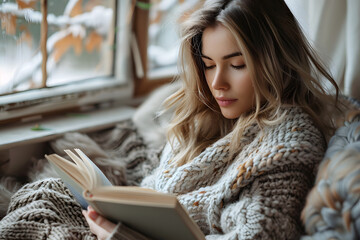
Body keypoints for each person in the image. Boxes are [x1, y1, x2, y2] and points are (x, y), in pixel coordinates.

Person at [0, 0, 341, 239]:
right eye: (208, 64)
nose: (217, 82)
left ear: (276, 63)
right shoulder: (213, 117)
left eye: (236, 65)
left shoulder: (288, 147)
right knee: (45, 194)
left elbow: (260, 233)